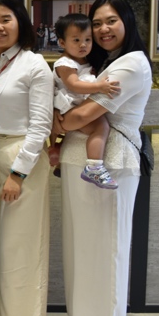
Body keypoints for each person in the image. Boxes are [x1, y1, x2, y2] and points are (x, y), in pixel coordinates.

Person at [55, 0, 152, 316]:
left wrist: (61, 121)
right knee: (82, 246)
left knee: (105, 246)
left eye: (110, 21)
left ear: (127, 21)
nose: (102, 29)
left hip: (110, 164)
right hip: (81, 162)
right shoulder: (104, 62)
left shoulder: (131, 64)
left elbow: (81, 116)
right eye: (96, 23)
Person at [0, 0, 53, 316]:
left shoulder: (34, 65)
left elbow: (41, 126)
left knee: (19, 244)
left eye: (5, 19)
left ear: (20, 22)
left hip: (21, 157)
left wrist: (18, 173)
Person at [47, 14, 120, 187]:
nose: (83, 44)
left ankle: (57, 152)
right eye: (77, 40)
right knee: (100, 127)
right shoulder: (64, 63)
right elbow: (74, 85)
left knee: (97, 127)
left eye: (88, 39)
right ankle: (94, 166)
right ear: (62, 43)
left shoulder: (83, 61)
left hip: (75, 106)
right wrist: (99, 87)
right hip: (69, 108)